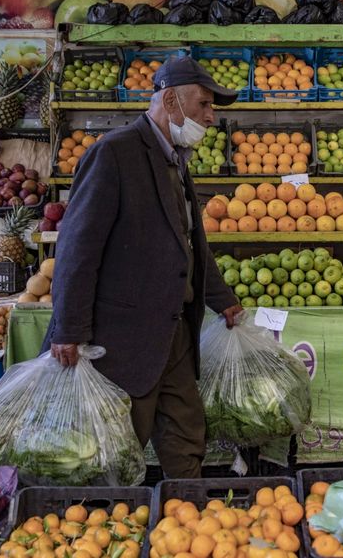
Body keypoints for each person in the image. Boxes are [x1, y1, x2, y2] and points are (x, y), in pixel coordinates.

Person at [41, 55, 243, 478]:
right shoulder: (114, 154)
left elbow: (188, 241)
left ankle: (185, 519)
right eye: (203, 104)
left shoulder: (176, 159)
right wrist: (68, 329)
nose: (210, 116)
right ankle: (114, 523)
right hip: (122, 338)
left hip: (173, 333)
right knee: (118, 444)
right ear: (170, 100)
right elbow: (78, 248)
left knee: (187, 433)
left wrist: (222, 299)